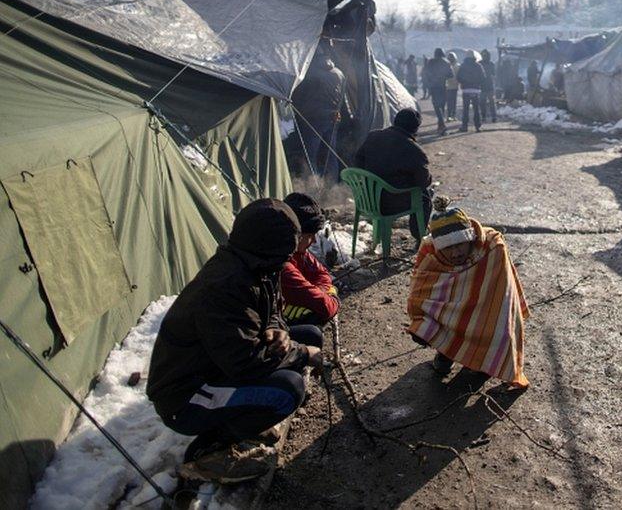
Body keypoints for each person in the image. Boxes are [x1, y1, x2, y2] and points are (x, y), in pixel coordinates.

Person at [147, 199, 326, 483]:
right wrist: (301, 354)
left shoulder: (257, 264)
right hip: (186, 395)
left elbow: (274, 309)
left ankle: (245, 420)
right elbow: (246, 363)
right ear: (268, 246)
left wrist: (276, 329)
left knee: (310, 334)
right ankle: (207, 453)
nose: (288, 258)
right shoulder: (225, 286)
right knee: (288, 390)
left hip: (220, 365)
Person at [407, 197, 530, 388]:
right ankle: (446, 353)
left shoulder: (492, 248)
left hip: (487, 308)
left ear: (470, 238)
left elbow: (502, 296)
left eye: (459, 245)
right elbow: (420, 293)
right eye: (448, 248)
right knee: (444, 319)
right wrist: (420, 326)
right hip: (451, 312)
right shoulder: (430, 252)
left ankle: (481, 361)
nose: (455, 253)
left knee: (496, 323)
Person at [353, 108, 433, 243]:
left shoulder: (373, 136)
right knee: (425, 196)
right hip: (391, 204)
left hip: (367, 200)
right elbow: (423, 182)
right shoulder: (414, 150)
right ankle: (420, 236)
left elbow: (357, 162)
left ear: (395, 121)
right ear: (415, 129)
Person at [280, 193, 340, 327]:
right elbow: (326, 307)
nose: (313, 241)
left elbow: (322, 273)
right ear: (297, 235)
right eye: (310, 236)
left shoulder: (298, 252)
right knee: (315, 322)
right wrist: (332, 294)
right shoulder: (281, 264)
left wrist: (320, 291)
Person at [291, 53, 347, 179]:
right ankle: (332, 184)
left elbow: (301, 95)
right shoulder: (339, 73)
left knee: (310, 153)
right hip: (333, 116)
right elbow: (342, 97)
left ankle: (311, 184)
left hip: (314, 118)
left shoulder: (310, 73)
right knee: (330, 153)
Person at [421, 49, 452, 134]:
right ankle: (441, 126)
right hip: (443, 86)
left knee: (437, 106)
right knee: (441, 106)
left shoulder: (431, 62)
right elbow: (451, 75)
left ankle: (442, 125)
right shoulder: (446, 62)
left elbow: (426, 73)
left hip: (434, 87)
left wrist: (429, 82)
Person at [456, 50, 485, 132]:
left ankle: (464, 126)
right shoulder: (478, 66)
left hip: (466, 90)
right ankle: (478, 126)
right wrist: (477, 83)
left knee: (465, 109)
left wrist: (464, 82)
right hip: (476, 90)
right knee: (476, 108)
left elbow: (458, 77)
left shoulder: (463, 66)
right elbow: (483, 77)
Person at [479, 48, 497, 123]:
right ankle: (493, 117)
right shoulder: (491, 64)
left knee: (483, 102)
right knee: (491, 102)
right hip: (488, 86)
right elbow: (494, 74)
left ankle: (484, 117)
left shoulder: (479, 63)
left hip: (484, 86)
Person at [445, 52, 459, 120]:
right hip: (449, 87)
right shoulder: (456, 66)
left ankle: (452, 115)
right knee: (450, 102)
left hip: (453, 86)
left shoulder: (457, 66)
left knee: (452, 102)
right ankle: (450, 115)